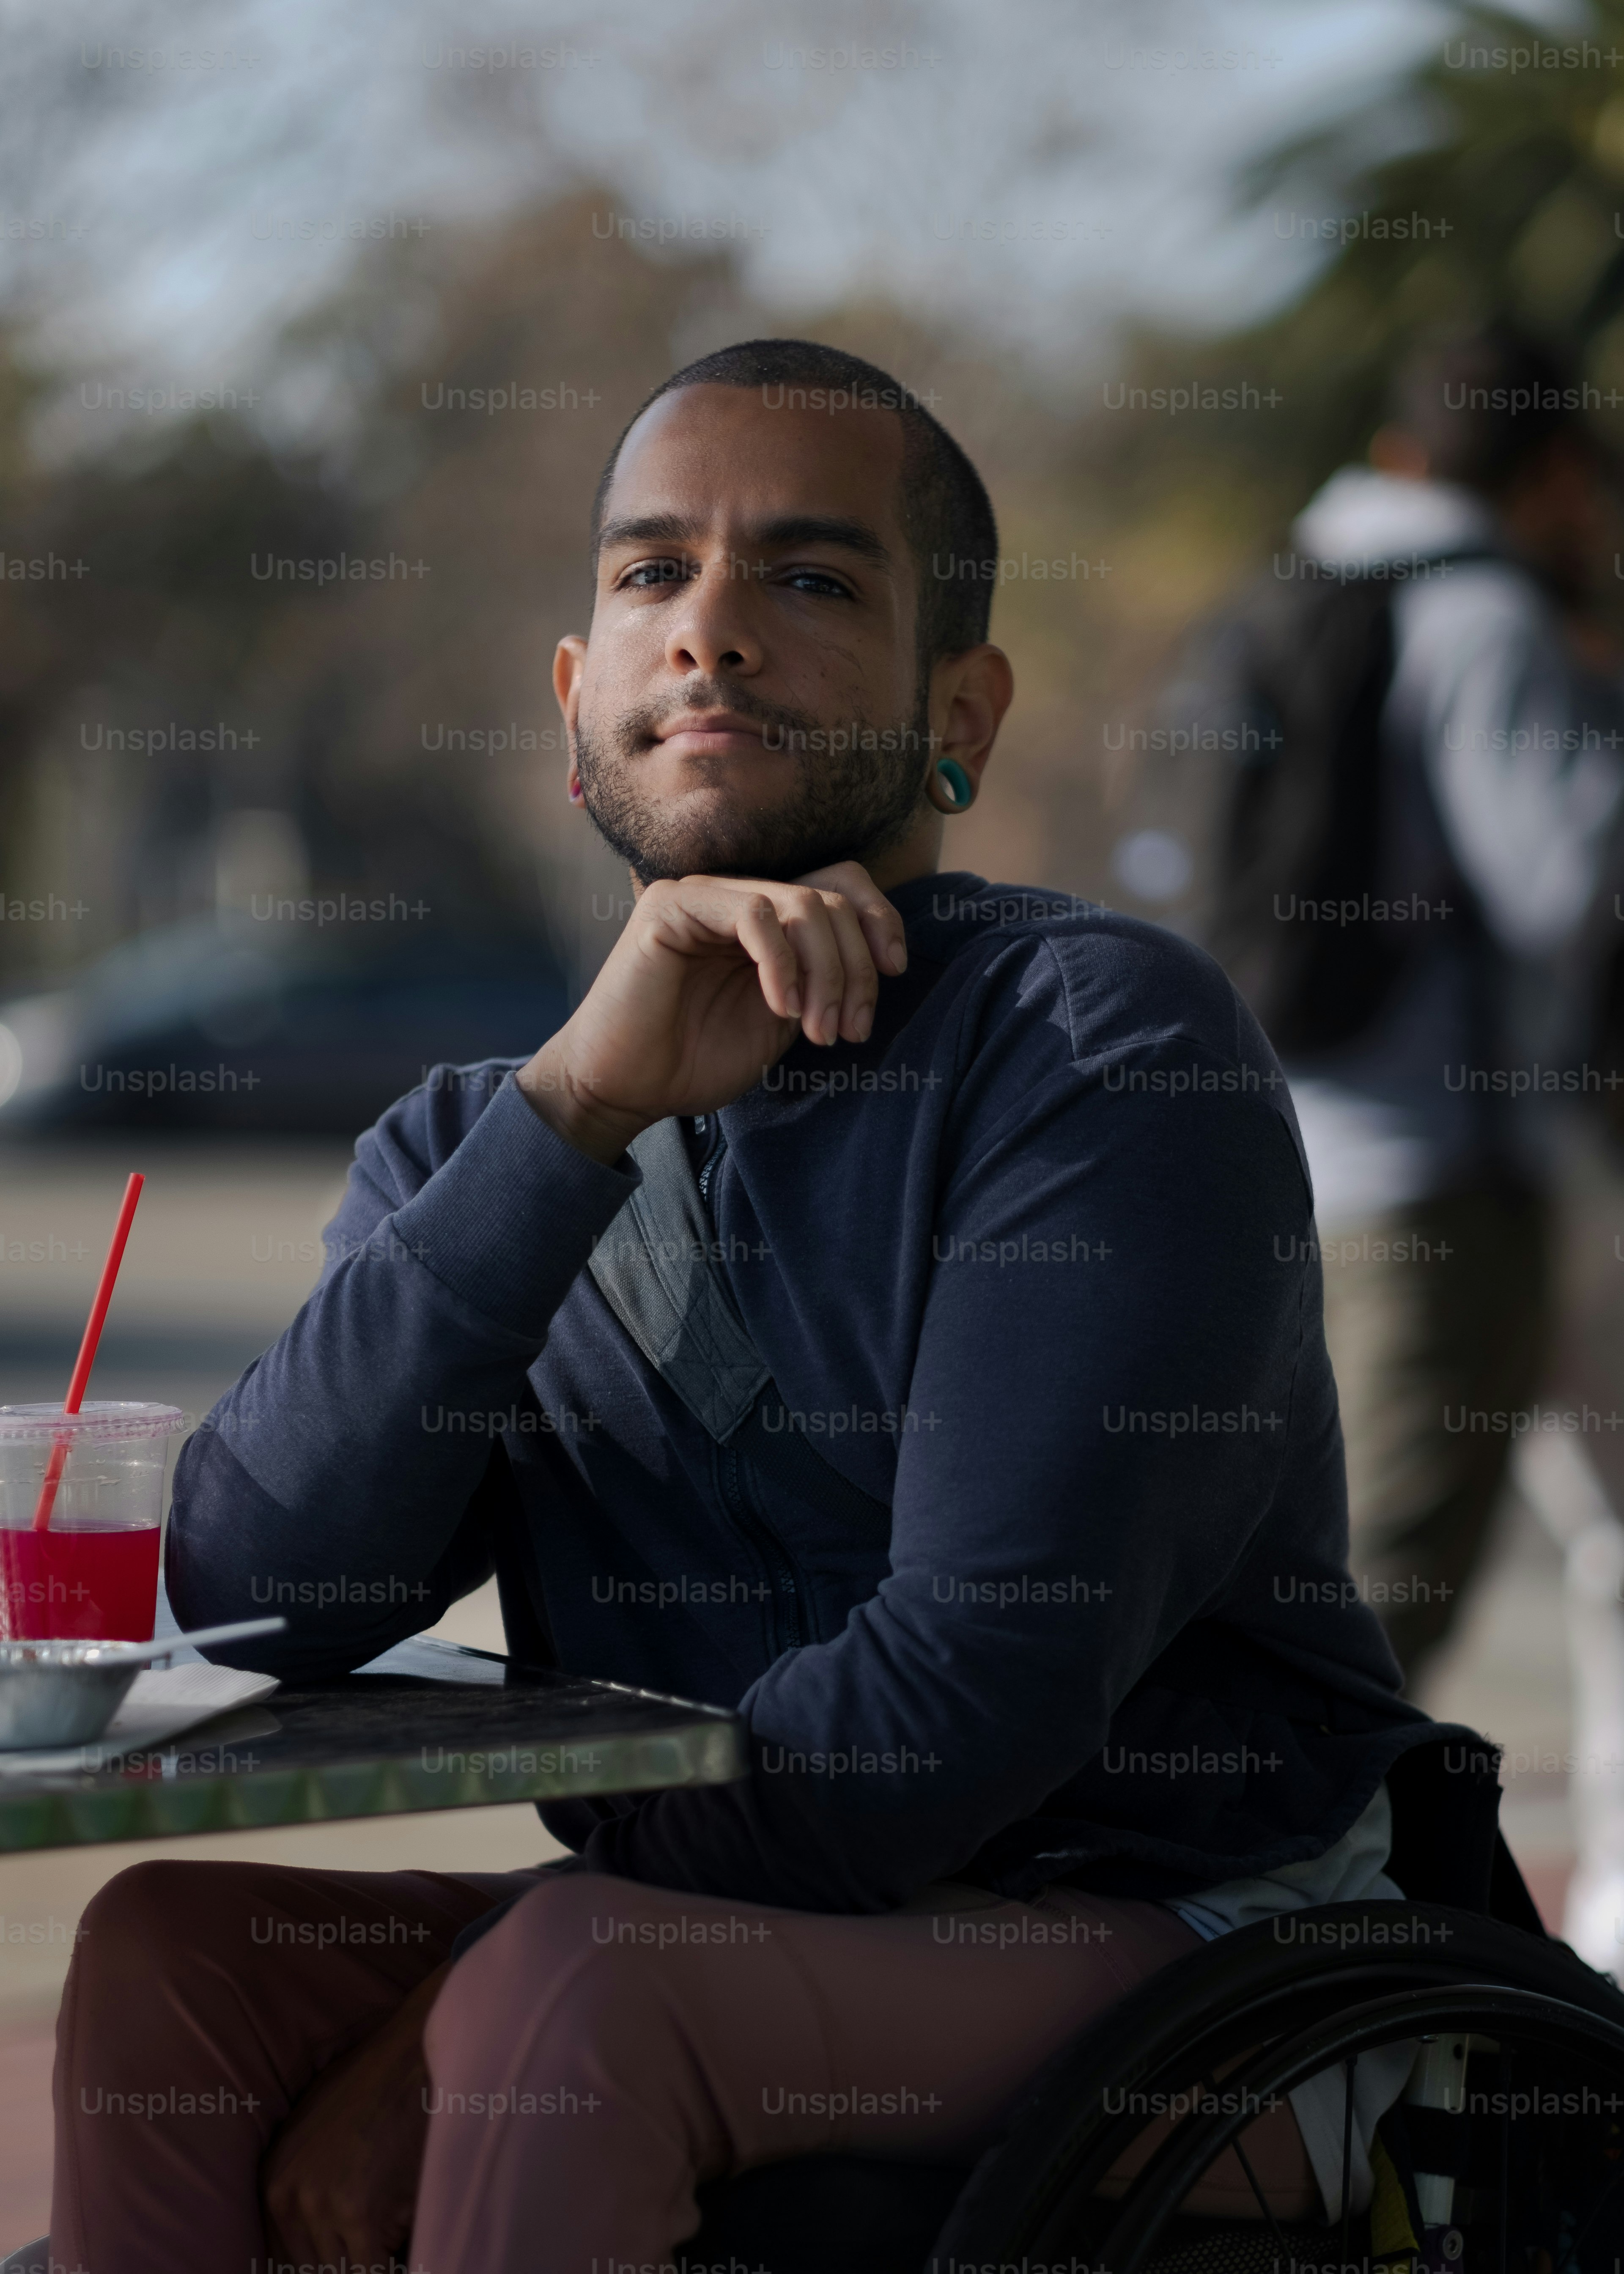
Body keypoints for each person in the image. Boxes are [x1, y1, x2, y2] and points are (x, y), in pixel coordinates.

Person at [52, 341, 1482, 2274]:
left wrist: (463, 2008)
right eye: (652, 576)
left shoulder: (1100, 1048)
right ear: (577, 709)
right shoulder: (479, 1140)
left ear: (959, 710)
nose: (709, 629)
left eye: (811, 581)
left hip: (1208, 1948)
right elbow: (257, 1593)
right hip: (737, 1932)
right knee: (171, 1963)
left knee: (577, 1999)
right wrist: (576, 1117)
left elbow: (945, 1729)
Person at [1270, 329, 1624, 1688]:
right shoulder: (1489, 617)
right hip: (1451, 1165)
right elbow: (1559, 883)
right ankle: (1253, 1885)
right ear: (1551, 469)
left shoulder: (1310, 585)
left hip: (1313, 1137)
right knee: (1383, 1597)